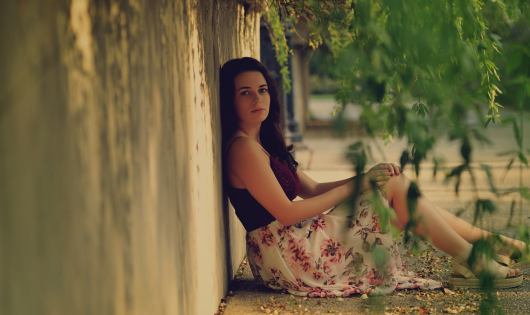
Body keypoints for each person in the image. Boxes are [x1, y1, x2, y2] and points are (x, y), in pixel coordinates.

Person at [220, 57, 525, 297]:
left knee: (395, 196)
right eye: (245, 93)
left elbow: (311, 189)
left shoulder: (262, 142)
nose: (257, 99)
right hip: (288, 257)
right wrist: (361, 184)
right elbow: (286, 213)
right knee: (394, 189)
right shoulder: (243, 148)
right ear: (230, 101)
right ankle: (476, 257)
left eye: (262, 90)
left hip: (294, 244)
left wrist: (368, 178)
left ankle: (485, 246)